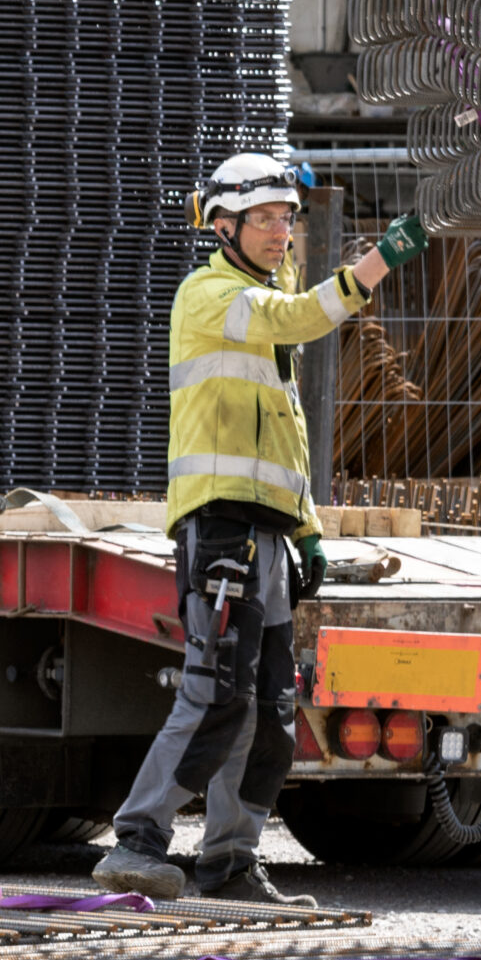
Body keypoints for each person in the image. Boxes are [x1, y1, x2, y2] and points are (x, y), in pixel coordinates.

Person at [92, 153, 429, 903]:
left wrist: (306, 529)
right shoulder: (212, 296)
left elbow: (285, 440)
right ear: (224, 225)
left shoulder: (258, 309)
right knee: (215, 692)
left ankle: (229, 861)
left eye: (288, 219)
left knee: (272, 708)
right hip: (220, 530)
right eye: (268, 219)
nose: (283, 232)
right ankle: (136, 840)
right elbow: (304, 314)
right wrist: (377, 262)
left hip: (267, 535)